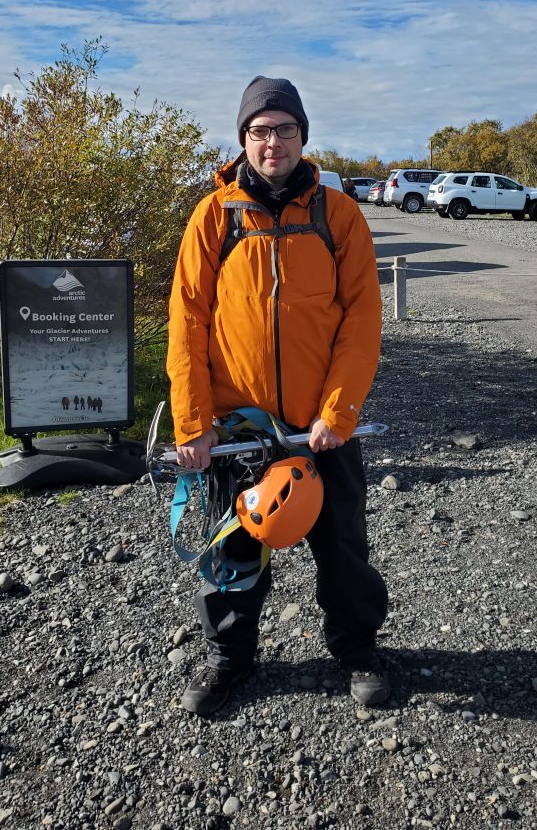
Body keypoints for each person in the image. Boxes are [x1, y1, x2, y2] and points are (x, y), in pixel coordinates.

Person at [166, 75, 388, 716]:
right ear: (242, 140)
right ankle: (230, 660)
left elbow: (361, 321)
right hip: (237, 431)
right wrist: (193, 423)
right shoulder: (215, 217)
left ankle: (357, 650)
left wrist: (338, 412)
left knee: (343, 550)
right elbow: (186, 321)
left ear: (302, 137)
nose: (273, 143)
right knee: (233, 553)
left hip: (320, 431)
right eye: (260, 131)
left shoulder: (339, 216)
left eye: (284, 130)